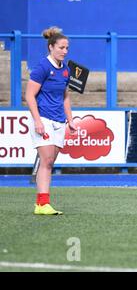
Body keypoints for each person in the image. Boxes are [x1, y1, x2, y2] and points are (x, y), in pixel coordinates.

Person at [25, 26, 76, 215]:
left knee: (50, 162)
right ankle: (42, 203)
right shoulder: (42, 67)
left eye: (67, 48)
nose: (65, 51)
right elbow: (29, 96)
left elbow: (65, 97)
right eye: (61, 47)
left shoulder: (65, 70)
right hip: (44, 119)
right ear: (51, 47)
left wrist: (70, 120)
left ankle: (41, 204)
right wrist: (37, 121)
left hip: (59, 121)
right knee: (46, 160)